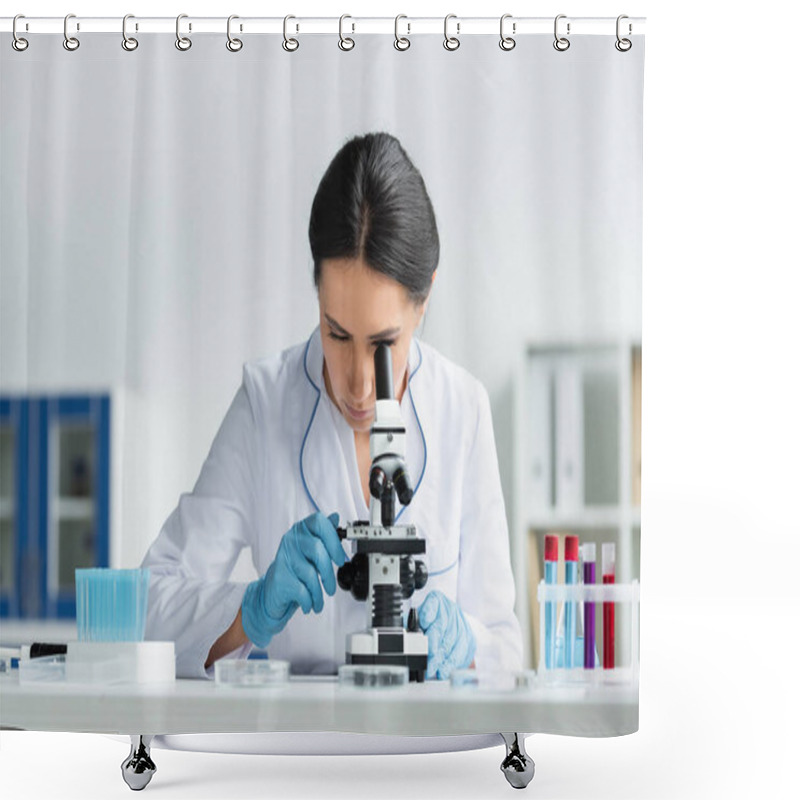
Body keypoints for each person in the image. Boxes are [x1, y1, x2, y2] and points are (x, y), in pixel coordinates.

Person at [142, 131, 523, 680]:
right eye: (337, 334)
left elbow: (506, 653)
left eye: (384, 344)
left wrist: (466, 644)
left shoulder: (463, 409)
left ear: (425, 301)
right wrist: (250, 610)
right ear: (317, 292)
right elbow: (149, 609)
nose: (360, 384)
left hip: (425, 754)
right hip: (294, 749)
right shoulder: (265, 403)